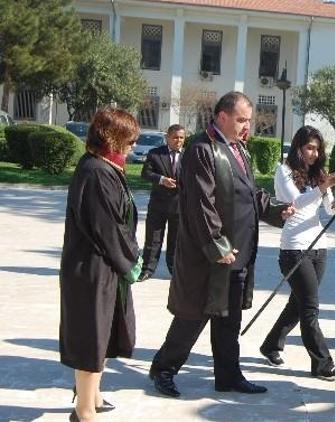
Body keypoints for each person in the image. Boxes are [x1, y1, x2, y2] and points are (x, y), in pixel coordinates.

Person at [149, 91, 279, 398]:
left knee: (229, 320)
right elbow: (199, 204)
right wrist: (218, 246)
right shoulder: (201, 149)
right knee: (193, 316)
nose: (247, 126)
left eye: (249, 120)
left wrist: (276, 210)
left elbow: (250, 193)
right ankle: (163, 369)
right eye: (242, 119)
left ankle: (229, 375)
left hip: (239, 254)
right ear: (222, 116)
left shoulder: (238, 150)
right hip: (210, 256)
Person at [59, 108, 143, 421]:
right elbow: (107, 227)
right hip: (91, 268)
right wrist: (131, 258)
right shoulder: (95, 172)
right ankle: (83, 412)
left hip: (105, 266)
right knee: (90, 339)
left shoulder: (106, 167)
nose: (133, 145)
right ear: (112, 138)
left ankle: (92, 396)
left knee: (103, 333)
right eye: (129, 139)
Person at [259, 126, 335, 380]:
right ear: (298, 147)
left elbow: (328, 210)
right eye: (309, 148)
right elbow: (294, 202)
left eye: (318, 149)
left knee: (298, 303)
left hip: (319, 246)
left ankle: (271, 345)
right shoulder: (284, 171)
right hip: (294, 249)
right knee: (310, 306)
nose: (314, 153)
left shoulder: (318, 174)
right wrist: (321, 188)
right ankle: (322, 363)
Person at [137, 124, 186, 281]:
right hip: (158, 205)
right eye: (175, 137)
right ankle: (147, 270)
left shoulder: (189, 156)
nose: (178, 141)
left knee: (176, 240)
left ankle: (174, 270)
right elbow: (146, 173)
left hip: (179, 206)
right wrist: (161, 180)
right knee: (153, 239)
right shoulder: (155, 154)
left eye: (181, 138)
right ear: (167, 138)